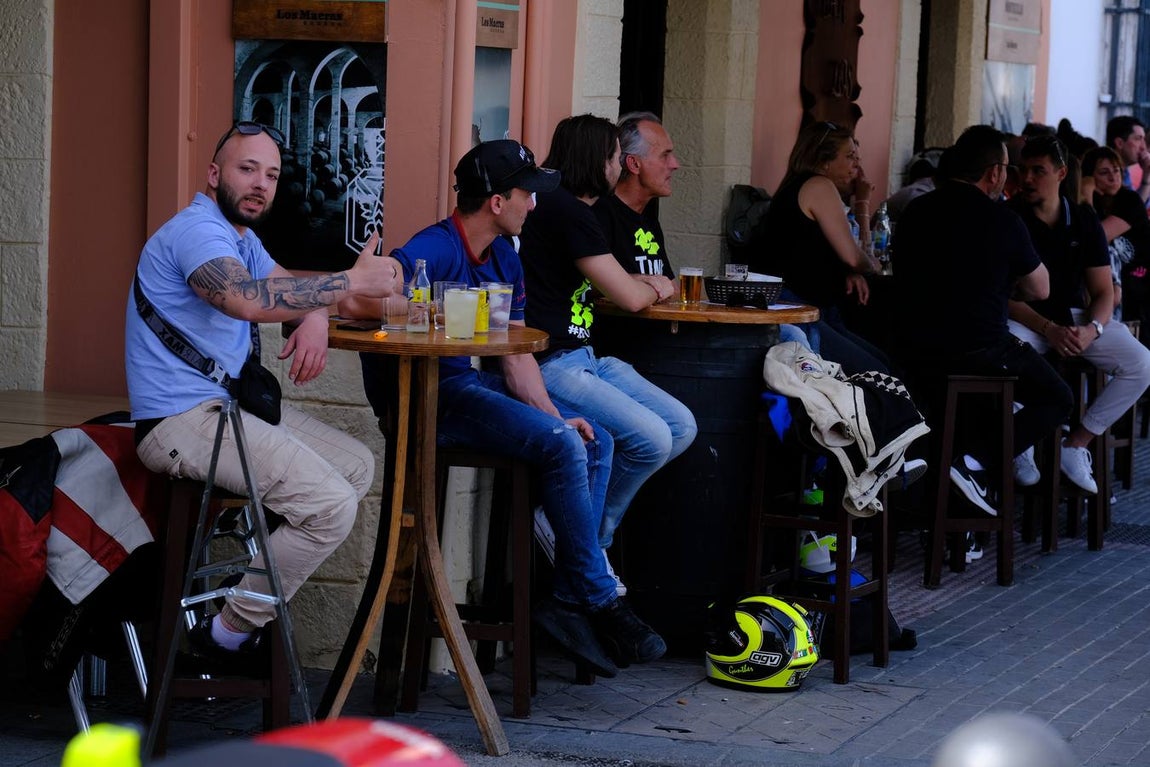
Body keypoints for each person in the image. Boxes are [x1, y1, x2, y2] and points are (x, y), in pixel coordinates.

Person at [341, 139, 667, 676]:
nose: (534, 205)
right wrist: (422, 306)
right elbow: (355, 299)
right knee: (563, 443)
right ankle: (599, 599)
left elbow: (516, 360)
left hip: (467, 389)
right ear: (496, 201)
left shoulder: (505, 257)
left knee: (592, 437)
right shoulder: (435, 247)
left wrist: (556, 415)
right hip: (425, 403)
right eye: (526, 194)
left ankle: (567, 598)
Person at [125, 120, 405, 663]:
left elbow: (292, 290)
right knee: (329, 507)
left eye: (271, 175)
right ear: (213, 174)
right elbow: (249, 300)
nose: (260, 184)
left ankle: (252, 577)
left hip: (222, 411)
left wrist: (336, 307)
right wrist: (348, 282)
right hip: (177, 422)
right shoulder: (196, 233)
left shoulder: (243, 239)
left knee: (355, 466)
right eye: (247, 169)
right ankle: (225, 632)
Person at [518, 115, 697, 596]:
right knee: (653, 439)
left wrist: (642, 285)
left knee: (680, 426)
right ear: (598, 160)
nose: (621, 168)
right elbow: (633, 297)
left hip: (584, 355)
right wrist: (652, 285)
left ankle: (580, 537)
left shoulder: (568, 208)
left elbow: (620, 286)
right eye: (617, 158)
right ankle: (587, 545)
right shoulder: (567, 210)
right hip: (550, 362)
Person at [893, 125, 1071, 516]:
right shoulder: (1003, 220)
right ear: (994, 173)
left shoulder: (915, 210)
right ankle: (975, 464)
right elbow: (1040, 289)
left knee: (974, 408)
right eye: (1008, 168)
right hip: (979, 351)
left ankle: (960, 512)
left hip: (911, 350)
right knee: (1059, 397)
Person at [1007, 134, 1150, 494]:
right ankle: (1019, 442)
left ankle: (1076, 444)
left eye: (1037, 170)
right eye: (1023, 170)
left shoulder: (1083, 219)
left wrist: (1094, 329)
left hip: (1074, 317)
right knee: (1000, 354)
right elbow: (998, 296)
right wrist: (1047, 328)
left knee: (1142, 363)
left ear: (1060, 173)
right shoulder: (1008, 218)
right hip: (1025, 318)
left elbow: (1103, 291)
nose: (1027, 179)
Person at [753, 121, 890, 375]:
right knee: (879, 374)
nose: (857, 166)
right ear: (824, 160)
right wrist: (868, 264)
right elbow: (854, 257)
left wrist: (849, 270)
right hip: (799, 312)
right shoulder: (819, 185)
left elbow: (811, 248)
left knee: (883, 365)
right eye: (849, 157)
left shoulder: (796, 186)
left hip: (811, 308)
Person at [592, 111, 678, 279]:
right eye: (664, 155)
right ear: (634, 164)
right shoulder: (599, 214)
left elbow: (668, 285)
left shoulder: (648, 218)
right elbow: (594, 285)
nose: (675, 164)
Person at [1081, 145, 1150, 328]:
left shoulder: (1129, 201)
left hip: (1137, 281)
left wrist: (1086, 195)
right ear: (1089, 177)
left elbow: (1094, 238)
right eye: (1104, 172)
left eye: (1117, 170)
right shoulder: (1091, 205)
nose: (1114, 177)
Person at [1105, 115, 1150, 204]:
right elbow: (1133, 209)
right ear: (1120, 143)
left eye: (1144, 140)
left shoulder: (1125, 172)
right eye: (1138, 139)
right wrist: (1146, 178)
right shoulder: (1107, 172)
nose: (1143, 147)